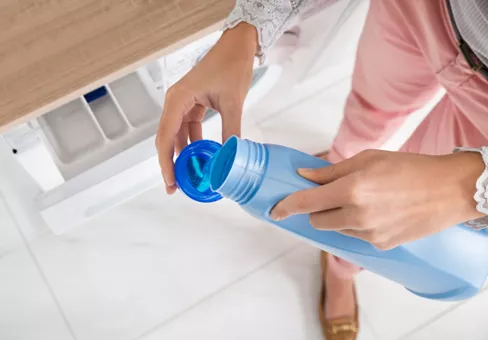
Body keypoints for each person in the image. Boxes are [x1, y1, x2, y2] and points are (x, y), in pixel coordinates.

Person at [156, 0, 488, 338]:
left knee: (387, 219)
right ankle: (336, 179)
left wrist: (468, 185)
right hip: (423, 9)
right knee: (366, 117)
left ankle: (340, 269)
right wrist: (249, 28)